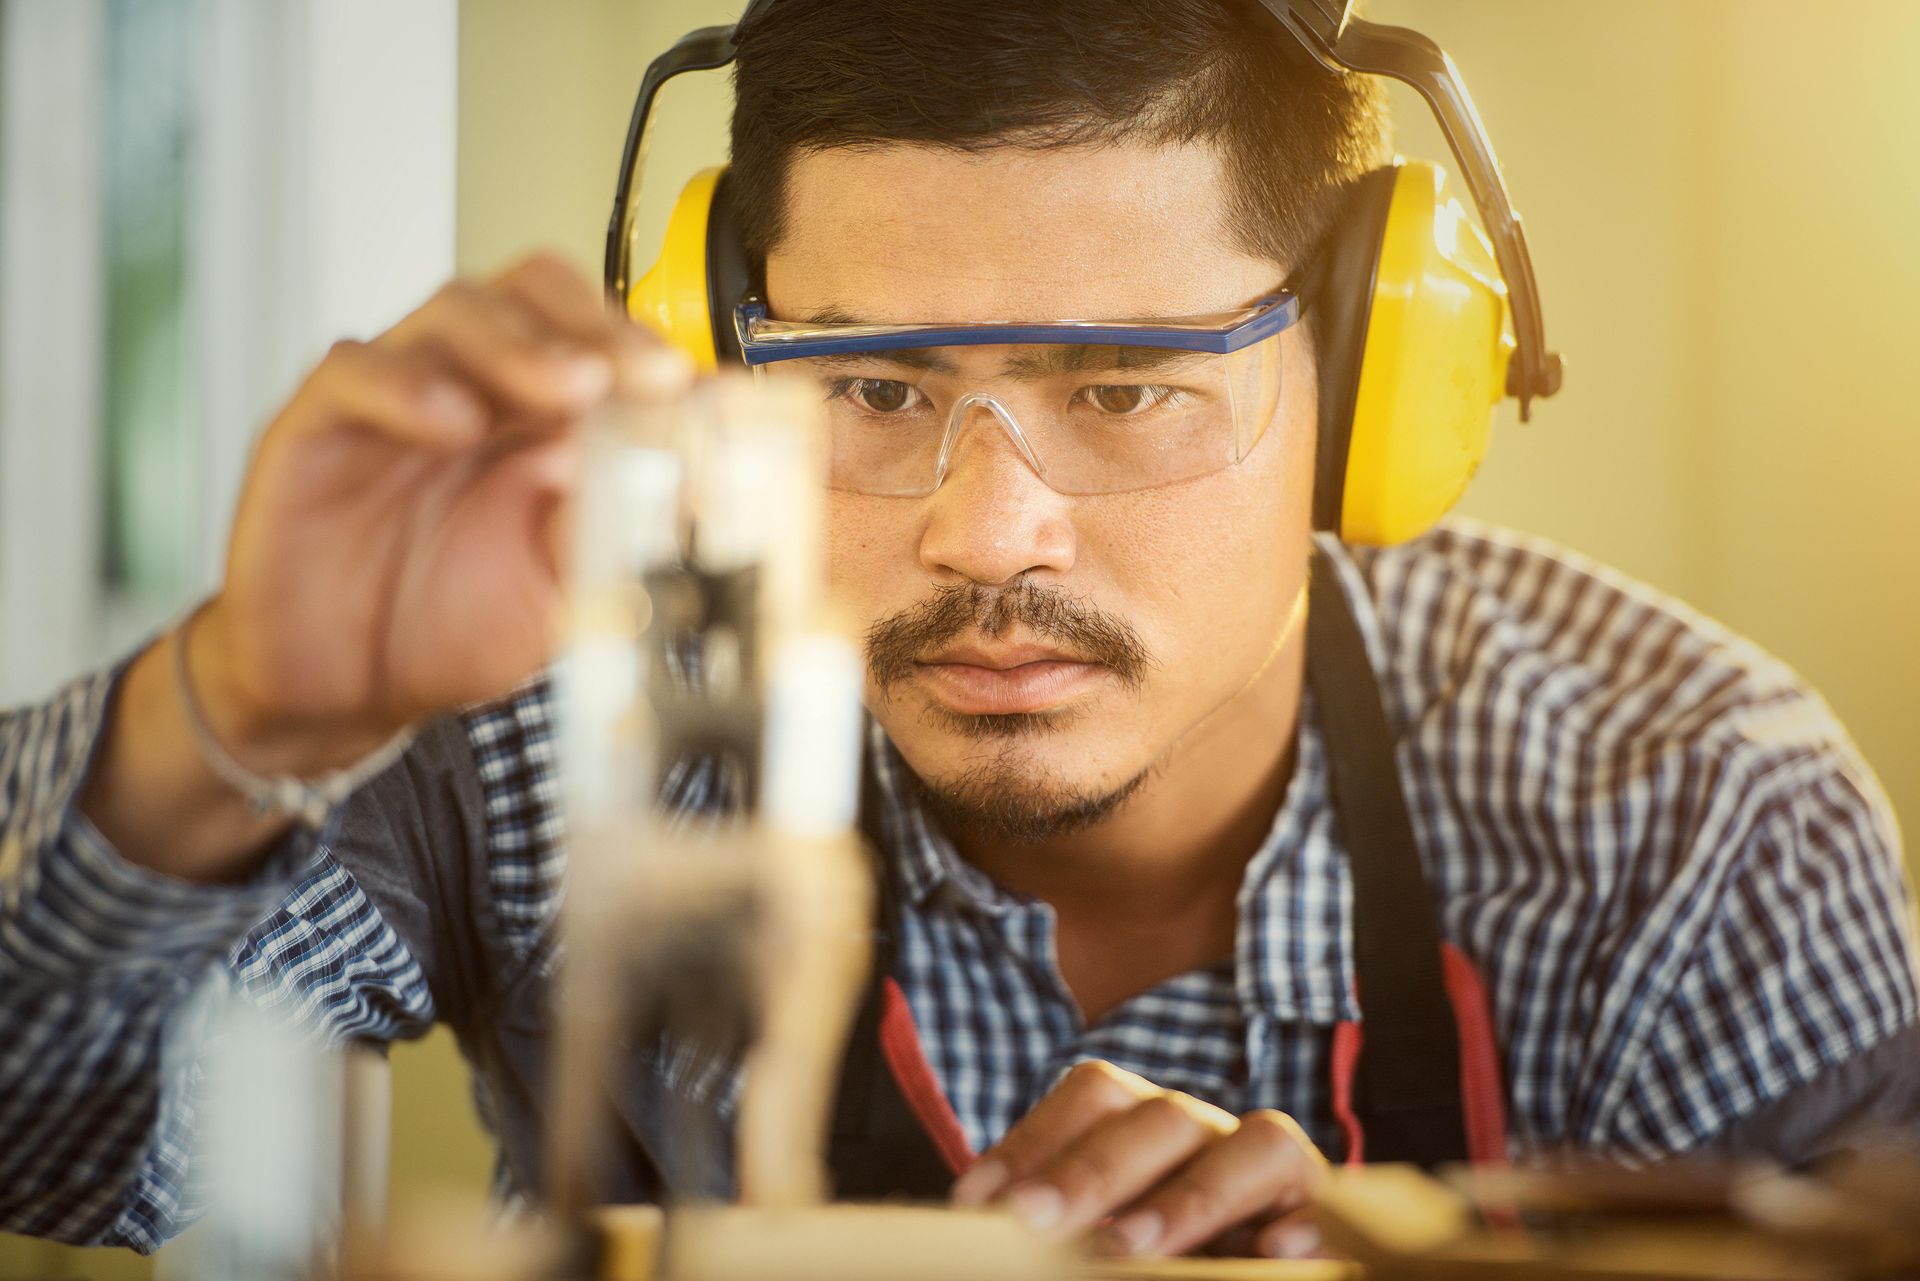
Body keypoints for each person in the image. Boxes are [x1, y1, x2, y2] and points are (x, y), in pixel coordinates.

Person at [3, 0, 1916, 1262]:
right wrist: (232, 703)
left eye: (1126, 384)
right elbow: (61, 1142)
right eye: (872, 385)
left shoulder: (1691, 813)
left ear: (1372, 381)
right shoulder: (546, 711)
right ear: (717, 365)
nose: (984, 531)